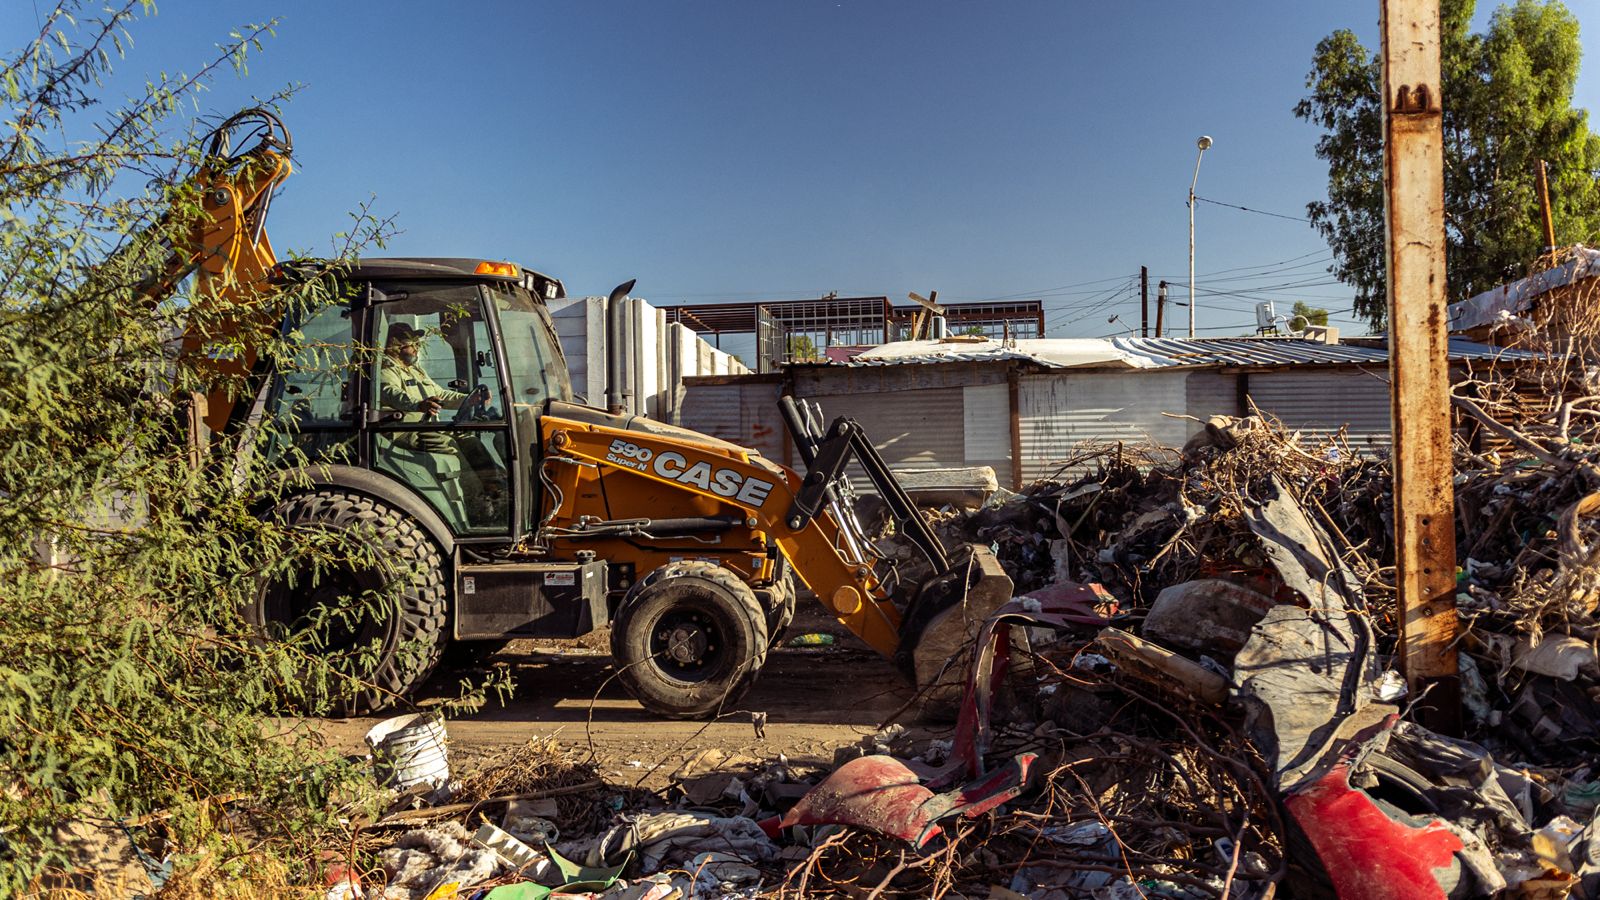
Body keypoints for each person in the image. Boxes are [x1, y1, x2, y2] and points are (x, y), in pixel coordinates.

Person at [379, 322, 470, 421]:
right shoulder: (385, 369)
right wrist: (418, 405)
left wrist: (468, 400)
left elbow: (439, 395)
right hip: (407, 430)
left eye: (418, 343)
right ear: (396, 345)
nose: (417, 347)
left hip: (427, 428)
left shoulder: (416, 370)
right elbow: (392, 394)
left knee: (468, 437)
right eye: (413, 343)